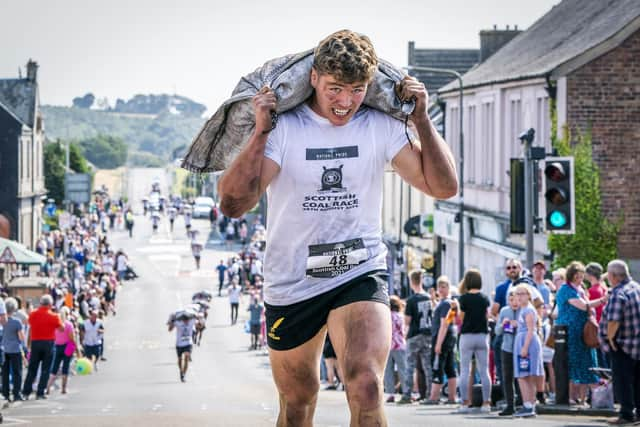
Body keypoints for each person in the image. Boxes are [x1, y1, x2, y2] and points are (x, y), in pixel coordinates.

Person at [217, 29, 458, 425]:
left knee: (366, 385)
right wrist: (260, 131)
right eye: (334, 89)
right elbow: (233, 204)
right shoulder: (285, 128)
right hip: (292, 277)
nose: (345, 102)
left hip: (358, 269)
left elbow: (444, 187)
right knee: (298, 400)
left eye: (357, 89)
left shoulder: (380, 126)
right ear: (314, 78)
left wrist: (422, 120)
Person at [555, 261, 607, 406]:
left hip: (584, 331)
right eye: (576, 276)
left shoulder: (580, 289)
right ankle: (571, 397)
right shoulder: (566, 289)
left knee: (587, 362)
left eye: (581, 276)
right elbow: (583, 306)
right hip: (571, 331)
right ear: (570, 276)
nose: (579, 279)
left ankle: (583, 398)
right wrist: (602, 300)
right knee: (572, 363)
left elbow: (587, 307)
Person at [599, 260, 640, 426]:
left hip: (622, 343)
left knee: (623, 381)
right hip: (636, 342)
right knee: (637, 380)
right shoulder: (636, 287)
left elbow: (614, 320)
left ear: (613, 276)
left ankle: (626, 414)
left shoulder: (618, 293)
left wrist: (609, 338)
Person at [456, 268, 492, 413]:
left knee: (465, 370)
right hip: (482, 336)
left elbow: (461, 318)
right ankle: (486, 403)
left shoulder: (463, 298)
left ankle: (465, 402)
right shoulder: (485, 298)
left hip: (467, 336)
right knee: (484, 371)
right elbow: (486, 317)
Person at [399, 270, 433, 404]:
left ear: (411, 281)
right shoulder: (428, 298)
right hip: (427, 333)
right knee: (427, 366)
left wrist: (404, 334)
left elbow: (407, 321)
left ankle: (407, 394)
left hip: (414, 334)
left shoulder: (412, 300)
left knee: (410, 365)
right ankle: (431, 393)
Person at [512, 284, 545, 418]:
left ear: (528, 295)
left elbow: (531, 329)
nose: (519, 297)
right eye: (517, 294)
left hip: (527, 342)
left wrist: (525, 347)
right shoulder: (524, 310)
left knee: (523, 375)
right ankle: (530, 404)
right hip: (524, 340)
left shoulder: (529, 310)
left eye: (522, 294)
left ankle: (528, 404)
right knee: (528, 376)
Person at [23, 295, 62, 400]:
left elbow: (30, 326)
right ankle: (40, 392)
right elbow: (61, 328)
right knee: (45, 369)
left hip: (35, 342)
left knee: (32, 368)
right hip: (48, 343)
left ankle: (26, 392)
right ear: (50, 304)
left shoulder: (33, 314)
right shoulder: (54, 316)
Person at [490, 258, 522, 385]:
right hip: (506, 331)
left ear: (520, 269)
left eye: (514, 267)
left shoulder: (526, 285)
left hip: (522, 330)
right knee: (500, 353)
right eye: (509, 268)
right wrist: (503, 323)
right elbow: (494, 310)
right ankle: (505, 393)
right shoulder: (502, 287)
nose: (512, 270)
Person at [427, 276, 458, 404]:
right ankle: (452, 397)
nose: (441, 289)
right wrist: (433, 299)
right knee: (450, 367)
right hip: (450, 337)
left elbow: (444, 324)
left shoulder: (446, 303)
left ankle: (434, 397)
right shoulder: (447, 303)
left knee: (437, 365)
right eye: (439, 286)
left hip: (443, 337)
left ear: (449, 288)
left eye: (444, 286)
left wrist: (438, 343)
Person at [495, 289, 520, 416]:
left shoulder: (523, 310)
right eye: (511, 300)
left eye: (516, 299)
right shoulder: (504, 311)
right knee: (507, 376)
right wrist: (503, 324)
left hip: (520, 348)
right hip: (507, 347)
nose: (514, 302)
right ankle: (510, 404)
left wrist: (518, 324)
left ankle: (522, 402)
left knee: (521, 376)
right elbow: (497, 331)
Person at [47, 306, 76, 395]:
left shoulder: (56, 325)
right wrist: (76, 348)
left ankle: (47, 387)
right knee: (65, 367)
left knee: (54, 368)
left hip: (57, 346)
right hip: (67, 346)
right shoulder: (69, 324)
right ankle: (63, 388)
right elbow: (72, 338)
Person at [383, 295, 407, 403]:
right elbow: (405, 330)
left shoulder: (385, 316)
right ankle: (406, 392)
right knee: (403, 369)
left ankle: (390, 394)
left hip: (387, 345)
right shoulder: (400, 316)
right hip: (400, 345)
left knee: (388, 371)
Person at [585, 262, 609, 369]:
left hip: (596, 329)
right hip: (604, 328)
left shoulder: (592, 291)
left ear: (590, 275)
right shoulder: (603, 288)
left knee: (600, 363)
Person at [2, 298, 24, 401]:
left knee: (5, 373)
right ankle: (16, 393)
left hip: (4, 348)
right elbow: (21, 337)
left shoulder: (2, 322)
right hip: (15, 349)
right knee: (17, 372)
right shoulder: (17, 322)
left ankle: (5, 393)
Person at [168, 313, 196, 382]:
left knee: (186, 356)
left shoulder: (192, 321)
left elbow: (197, 318)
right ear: (182, 320)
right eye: (185, 320)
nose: (186, 322)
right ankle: (181, 372)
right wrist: (172, 322)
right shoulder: (178, 323)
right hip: (179, 344)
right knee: (180, 360)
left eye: (187, 320)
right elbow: (170, 329)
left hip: (188, 343)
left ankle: (184, 375)